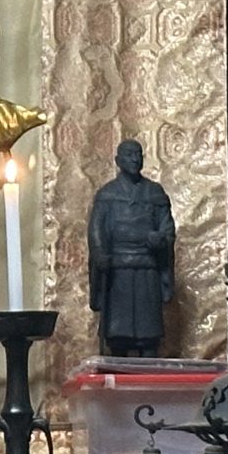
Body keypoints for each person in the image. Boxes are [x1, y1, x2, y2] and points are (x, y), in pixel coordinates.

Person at [87, 139, 176, 357]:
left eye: (138, 154)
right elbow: (95, 229)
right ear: (118, 160)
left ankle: (150, 372)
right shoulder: (107, 194)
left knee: (149, 335)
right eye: (129, 155)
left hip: (147, 269)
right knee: (118, 335)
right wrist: (100, 254)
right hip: (118, 271)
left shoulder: (154, 193)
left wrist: (159, 239)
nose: (135, 159)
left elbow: (168, 230)